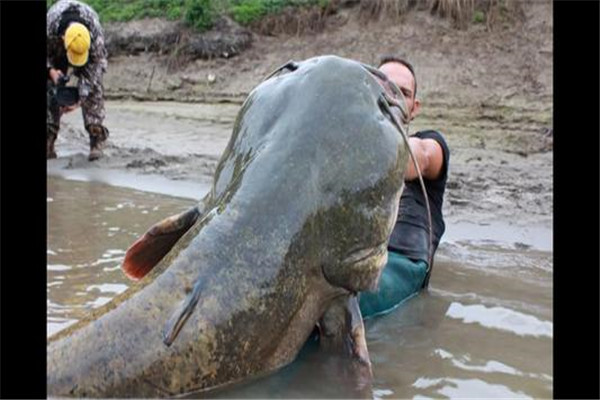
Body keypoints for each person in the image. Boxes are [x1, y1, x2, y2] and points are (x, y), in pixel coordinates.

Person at [359, 56, 450, 318]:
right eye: (383, 88)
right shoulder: (345, 151)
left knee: (330, 305)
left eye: (403, 93)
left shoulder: (432, 144)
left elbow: (420, 158)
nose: (391, 98)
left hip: (402, 263)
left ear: (414, 107)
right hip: (347, 262)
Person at [47, 0, 109, 161]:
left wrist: (80, 98)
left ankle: (96, 138)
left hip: (88, 52)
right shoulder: (49, 25)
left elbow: (97, 67)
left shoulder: (95, 34)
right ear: (63, 39)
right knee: (49, 87)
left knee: (94, 88)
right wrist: (51, 71)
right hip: (55, 48)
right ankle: (48, 137)